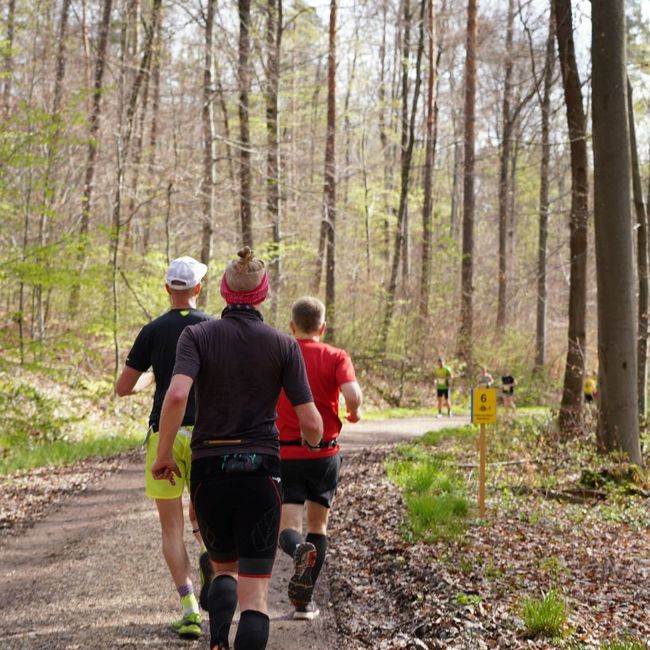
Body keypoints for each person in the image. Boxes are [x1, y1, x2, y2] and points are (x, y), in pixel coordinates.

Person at [151, 247, 323, 650]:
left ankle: (217, 642)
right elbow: (311, 423)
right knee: (255, 598)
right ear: (262, 294)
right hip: (261, 475)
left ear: (224, 290)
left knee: (223, 569)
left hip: (210, 472)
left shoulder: (197, 335)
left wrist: (163, 456)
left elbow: (176, 396)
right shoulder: (283, 345)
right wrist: (312, 442)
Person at [115, 256, 214, 640]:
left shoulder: (152, 331)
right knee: (205, 515)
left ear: (166, 288)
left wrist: (153, 378)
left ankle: (189, 607)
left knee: (170, 529)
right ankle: (211, 559)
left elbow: (123, 387)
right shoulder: (212, 327)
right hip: (209, 434)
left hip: (165, 436)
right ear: (198, 290)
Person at [275, 297, 362, 621]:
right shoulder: (336, 356)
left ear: (292, 326)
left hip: (285, 451)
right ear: (322, 327)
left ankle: (297, 550)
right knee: (318, 526)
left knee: (289, 527)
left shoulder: (281, 354)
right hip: (324, 453)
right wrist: (353, 412)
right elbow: (352, 394)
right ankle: (303, 604)